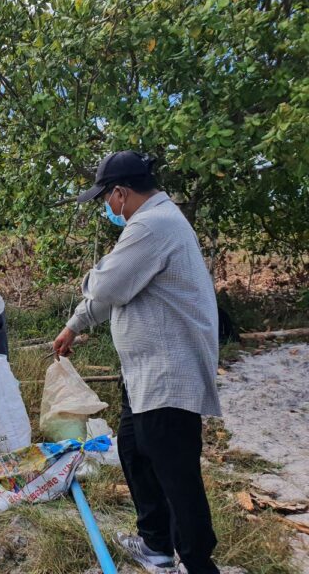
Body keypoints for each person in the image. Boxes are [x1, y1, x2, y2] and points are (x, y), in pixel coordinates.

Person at [53, 151, 221, 574]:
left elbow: (107, 285)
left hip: (168, 373)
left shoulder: (151, 225)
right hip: (145, 373)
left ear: (121, 193)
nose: (107, 208)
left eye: (105, 199)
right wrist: (74, 325)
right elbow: (116, 291)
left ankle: (197, 563)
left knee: (175, 472)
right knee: (133, 451)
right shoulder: (155, 222)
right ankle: (156, 545)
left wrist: (94, 276)